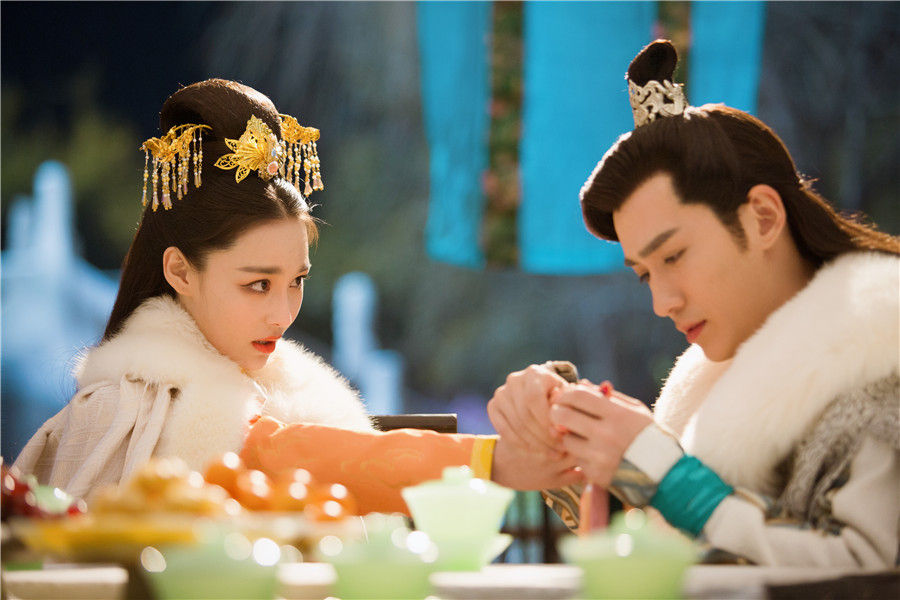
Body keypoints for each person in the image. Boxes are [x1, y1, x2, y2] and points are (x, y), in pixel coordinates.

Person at [14, 79, 579, 509]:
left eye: (297, 282)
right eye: (257, 284)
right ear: (180, 271)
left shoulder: (285, 387)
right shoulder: (134, 407)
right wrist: (495, 460)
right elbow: (304, 454)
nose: (282, 314)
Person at [488, 40, 899, 568]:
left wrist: (669, 478)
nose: (662, 302)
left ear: (764, 218)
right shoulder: (715, 376)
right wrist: (568, 427)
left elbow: (868, 571)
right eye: (644, 275)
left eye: (674, 256)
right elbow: (682, 544)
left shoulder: (879, 357)